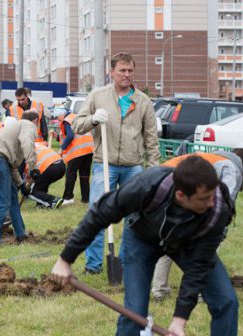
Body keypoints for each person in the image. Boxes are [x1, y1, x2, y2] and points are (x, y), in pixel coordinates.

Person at [51, 155, 238, 336]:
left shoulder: (217, 208)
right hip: (142, 238)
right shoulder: (146, 186)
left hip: (191, 244)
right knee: (134, 313)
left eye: (212, 195)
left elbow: (198, 268)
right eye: (203, 199)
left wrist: (179, 319)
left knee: (226, 301)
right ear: (182, 195)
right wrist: (65, 259)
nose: (211, 201)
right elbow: (100, 214)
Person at [72, 52, 159, 274]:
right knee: (98, 214)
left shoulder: (142, 101)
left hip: (134, 167)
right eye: (122, 70)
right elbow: (77, 126)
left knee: (135, 219)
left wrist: (154, 171)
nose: (126, 74)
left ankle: (129, 263)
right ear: (112, 72)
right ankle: (93, 266)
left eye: (130, 70)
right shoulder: (97, 96)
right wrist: (92, 119)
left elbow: (151, 138)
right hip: (105, 164)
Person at [151, 148, 243, 301]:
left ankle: (159, 291)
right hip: (177, 187)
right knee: (202, 247)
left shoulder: (213, 157)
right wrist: (217, 232)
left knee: (170, 238)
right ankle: (200, 292)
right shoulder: (233, 169)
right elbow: (223, 203)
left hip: (160, 182)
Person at [0, 111, 40, 244]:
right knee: (2, 202)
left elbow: (12, 166)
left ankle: (20, 234)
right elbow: (27, 143)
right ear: (35, 121)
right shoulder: (28, 125)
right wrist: (33, 168)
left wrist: (21, 185)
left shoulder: (11, 135)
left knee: (13, 197)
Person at [53, 107, 94, 205]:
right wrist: (57, 136)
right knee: (84, 175)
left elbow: (70, 135)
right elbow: (71, 134)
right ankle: (86, 198)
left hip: (77, 151)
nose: (58, 120)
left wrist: (62, 148)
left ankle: (68, 198)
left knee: (71, 174)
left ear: (61, 115)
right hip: (89, 149)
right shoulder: (77, 117)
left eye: (57, 117)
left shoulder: (67, 120)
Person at [28, 141, 65, 209]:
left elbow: (22, 172)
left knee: (30, 192)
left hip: (50, 168)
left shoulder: (24, 151)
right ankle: (41, 204)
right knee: (41, 184)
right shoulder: (37, 144)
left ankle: (53, 200)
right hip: (61, 165)